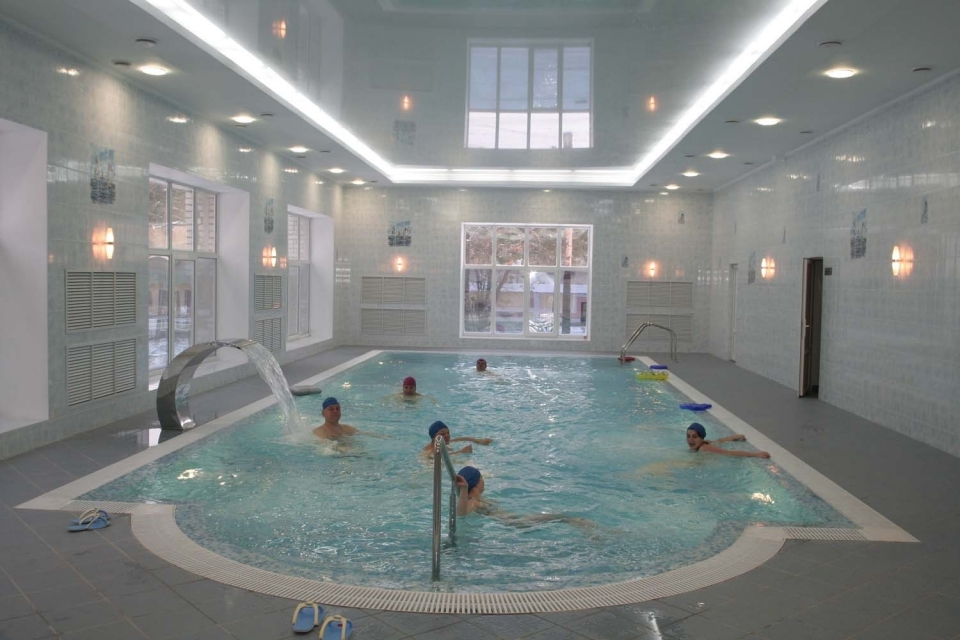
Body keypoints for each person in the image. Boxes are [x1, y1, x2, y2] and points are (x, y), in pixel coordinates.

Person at [454, 466, 597, 533]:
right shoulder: (473, 501)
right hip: (514, 522)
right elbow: (461, 513)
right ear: (477, 482)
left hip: (512, 520)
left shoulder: (476, 499)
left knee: (559, 518)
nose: (484, 481)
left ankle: (579, 523)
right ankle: (580, 524)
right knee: (560, 517)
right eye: (482, 478)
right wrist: (464, 489)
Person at [312, 397, 386, 440]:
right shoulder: (320, 431)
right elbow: (326, 445)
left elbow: (365, 433)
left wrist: (384, 437)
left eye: (337, 408)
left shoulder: (346, 428)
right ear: (323, 413)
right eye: (331, 409)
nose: (335, 411)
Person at [685, 423, 769, 458]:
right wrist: (734, 437)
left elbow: (730, 453)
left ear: (701, 438)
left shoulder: (705, 448)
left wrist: (756, 454)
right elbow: (718, 441)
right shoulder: (705, 442)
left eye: (694, 437)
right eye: (688, 436)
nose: (690, 440)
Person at [423, 420, 493, 457]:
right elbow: (438, 459)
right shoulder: (430, 451)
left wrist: (477, 441)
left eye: (448, 432)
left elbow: (459, 439)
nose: (447, 435)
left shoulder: (441, 443)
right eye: (442, 434)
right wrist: (461, 452)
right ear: (433, 438)